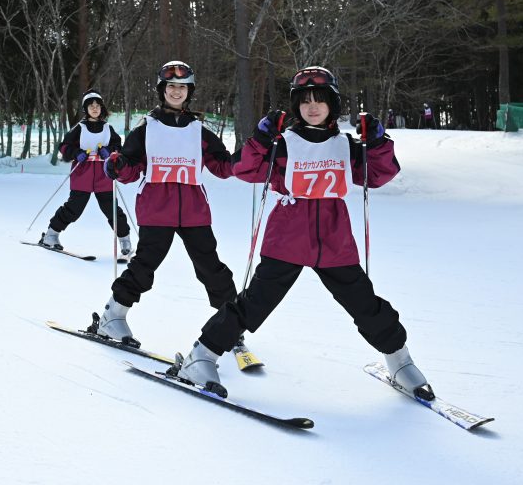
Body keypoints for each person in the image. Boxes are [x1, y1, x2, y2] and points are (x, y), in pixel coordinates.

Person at [176, 66, 434, 401]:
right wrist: (260, 139)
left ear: (332, 104)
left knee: (365, 304)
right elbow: (245, 170)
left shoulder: (345, 146)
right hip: (288, 237)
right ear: (296, 105)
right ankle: (202, 356)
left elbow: (379, 175)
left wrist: (377, 143)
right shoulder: (284, 144)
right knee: (254, 304)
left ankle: (400, 361)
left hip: (334, 239)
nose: (312, 107)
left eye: (320, 100)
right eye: (305, 100)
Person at [96, 61, 239, 349]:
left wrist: (254, 150)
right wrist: (117, 166)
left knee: (211, 268)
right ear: (162, 90)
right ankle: (113, 316)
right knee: (146, 264)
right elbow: (130, 167)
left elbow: (223, 166)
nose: (177, 91)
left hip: (194, 211)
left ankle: (231, 326)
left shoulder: (199, 130)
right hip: (156, 208)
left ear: (189, 92)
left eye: (182, 87)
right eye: (171, 86)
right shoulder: (147, 128)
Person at [40, 89, 131, 254]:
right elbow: (64, 146)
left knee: (112, 210)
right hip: (82, 174)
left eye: (98, 106)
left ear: (102, 108)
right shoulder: (79, 128)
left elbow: (119, 147)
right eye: (91, 106)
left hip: (104, 175)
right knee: (74, 208)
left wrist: (109, 151)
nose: (95, 109)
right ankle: (51, 235)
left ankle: (125, 241)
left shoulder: (108, 128)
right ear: (85, 109)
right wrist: (76, 153)